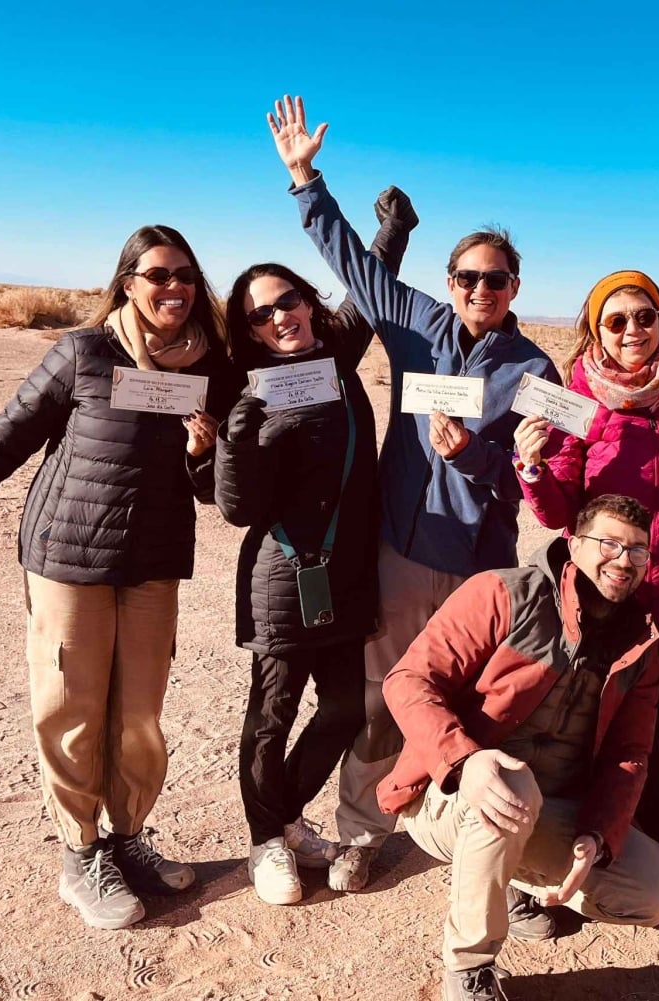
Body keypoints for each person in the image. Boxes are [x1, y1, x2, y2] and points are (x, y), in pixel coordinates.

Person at [0, 225, 238, 929]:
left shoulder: (211, 368)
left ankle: (129, 837)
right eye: (158, 274)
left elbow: (210, 488)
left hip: (153, 561)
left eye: (186, 275)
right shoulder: (83, 351)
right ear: (128, 282)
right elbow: (1, 440)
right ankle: (81, 853)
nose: (175, 288)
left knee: (139, 715)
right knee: (72, 709)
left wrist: (205, 450)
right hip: (70, 557)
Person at [268, 94, 561, 892]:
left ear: (514, 285)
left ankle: (452, 815)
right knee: (380, 693)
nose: (479, 289)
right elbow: (354, 265)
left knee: (466, 695)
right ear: (449, 280)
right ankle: (363, 828)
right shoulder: (416, 324)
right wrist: (307, 182)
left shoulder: (535, 372)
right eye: (467, 276)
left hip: (478, 563)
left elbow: (541, 482)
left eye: (494, 279)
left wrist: (476, 459)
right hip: (402, 547)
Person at [379, 494, 659, 1001]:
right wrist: (464, 760)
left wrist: (598, 834)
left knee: (652, 894)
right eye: (608, 543)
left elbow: (630, 753)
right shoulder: (502, 593)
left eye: (638, 550)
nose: (624, 560)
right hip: (450, 795)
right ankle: (468, 968)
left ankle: (512, 882)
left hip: (548, 810)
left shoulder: (641, 644)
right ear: (573, 542)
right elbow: (406, 681)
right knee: (511, 784)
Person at [214, 189, 418, 905]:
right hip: (284, 573)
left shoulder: (335, 353)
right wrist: (237, 434)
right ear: (252, 332)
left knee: (342, 708)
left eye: (287, 300)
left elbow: (365, 286)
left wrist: (392, 226)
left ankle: (281, 817)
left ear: (306, 301)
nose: (279, 316)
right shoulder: (253, 391)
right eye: (261, 314)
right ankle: (266, 842)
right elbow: (237, 508)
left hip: (348, 573)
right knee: (272, 712)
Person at [512, 268, 659, 847]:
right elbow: (558, 512)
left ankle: (646, 850)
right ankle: (565, 848)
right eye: (616, 320)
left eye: (645, 316)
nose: (633, 330)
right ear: (596, 331)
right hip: (602, 590)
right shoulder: (575, 396)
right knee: (583, 724)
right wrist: (530, 466)